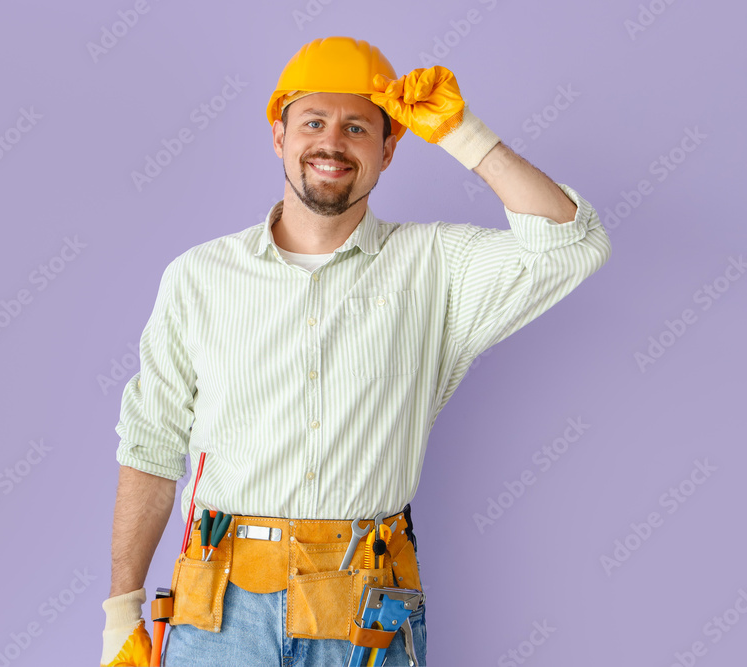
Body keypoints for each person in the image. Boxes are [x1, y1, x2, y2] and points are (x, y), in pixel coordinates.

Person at [100, 36, 611, 666]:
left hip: (364, 604)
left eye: (358, 127)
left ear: (391, 148)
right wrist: (122, 610)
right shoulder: (198, 276)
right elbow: (150, 446)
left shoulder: (435, 266)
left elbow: (570, 245)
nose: (331, 143)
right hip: (219, 611)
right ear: (279, 135)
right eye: (312, 122)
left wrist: (463, 134)